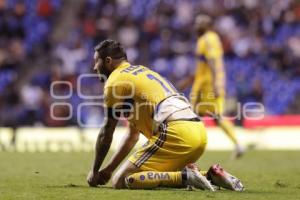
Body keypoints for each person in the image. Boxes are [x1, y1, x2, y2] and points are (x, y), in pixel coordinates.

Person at [86, 39, 244, 191]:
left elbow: (107, 131)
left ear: (107, 61)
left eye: (97, 61)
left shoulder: (115, 81)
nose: (94, 67)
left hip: (175, 132)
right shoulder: (143, 72)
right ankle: (210, 176)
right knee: (145, 176)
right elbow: (132, 136)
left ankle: (186, 176)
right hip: (198, 132)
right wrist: (107, 170)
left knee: (122, 180)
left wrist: (95, 170)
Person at [178, 15, 245, 158]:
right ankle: (236, 144)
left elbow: (213, 61)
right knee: (204, 115)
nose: (196, 26)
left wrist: (216, 84)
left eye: (199, 23)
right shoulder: (210, 38)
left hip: (206, 85)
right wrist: (189, 80)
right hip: (205, 81)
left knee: (202, 114)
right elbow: (203, 66)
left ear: (207, 25)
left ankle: (188, 146)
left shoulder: (207, 39)